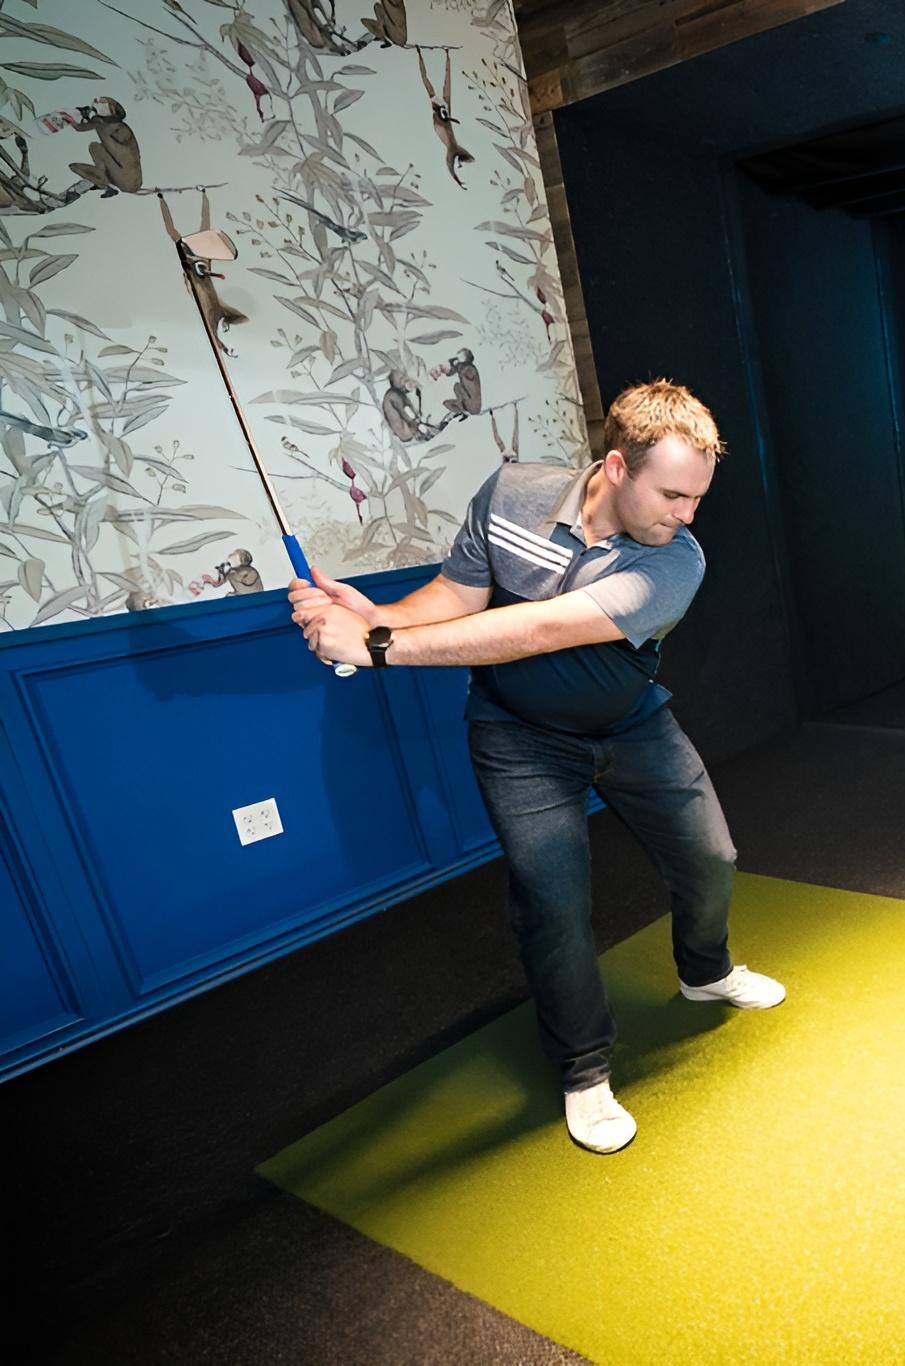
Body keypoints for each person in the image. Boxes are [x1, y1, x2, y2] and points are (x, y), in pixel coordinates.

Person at [289, 379, 785, 1155]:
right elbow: (459, 593)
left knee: (711, 858)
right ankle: (584, 1069)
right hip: (517, 736)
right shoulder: (510, 495)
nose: (687, 515)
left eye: (697, 498)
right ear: (617, 467)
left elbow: (538, 629)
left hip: (630, 723)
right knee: (551, 903)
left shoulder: (676, 563)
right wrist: (374, 616)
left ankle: (705, 968)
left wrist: (377, 648)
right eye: (674, 495)